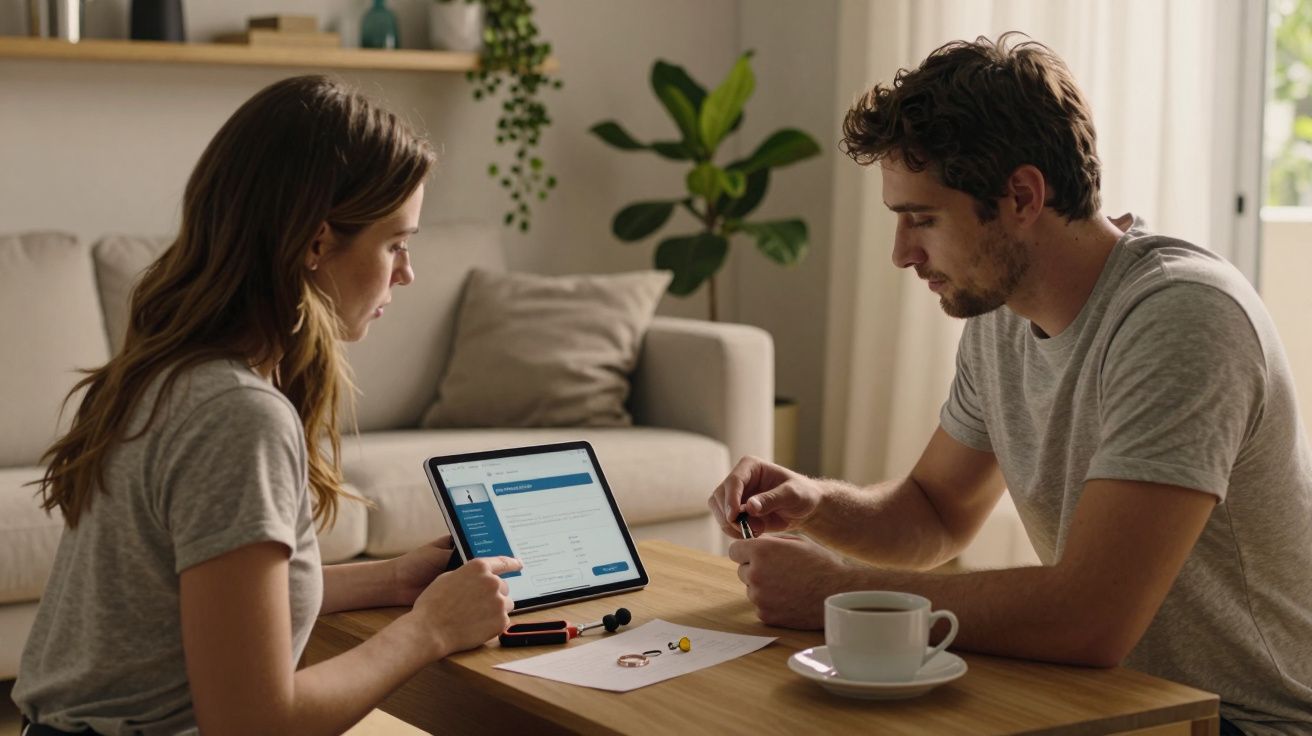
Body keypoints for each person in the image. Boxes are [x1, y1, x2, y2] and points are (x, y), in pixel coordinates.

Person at [709, 33, 1312, 735]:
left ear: (1022, 195)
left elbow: (1092, 616)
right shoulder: (999, 319)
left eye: (922, 219)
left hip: (1245, 721)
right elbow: (934, 512)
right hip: (1117, 700)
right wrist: (814, 502)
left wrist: (837, 595)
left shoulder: (1184, 317)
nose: (902, 254)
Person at [13, 75, 522, 735]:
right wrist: (427, 630)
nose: (407, 272)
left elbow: (206, 599)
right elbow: (251, 724)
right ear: (315, 244)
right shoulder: (237, 414)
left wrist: (393, 580)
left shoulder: (162, 373)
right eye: (395, 243)